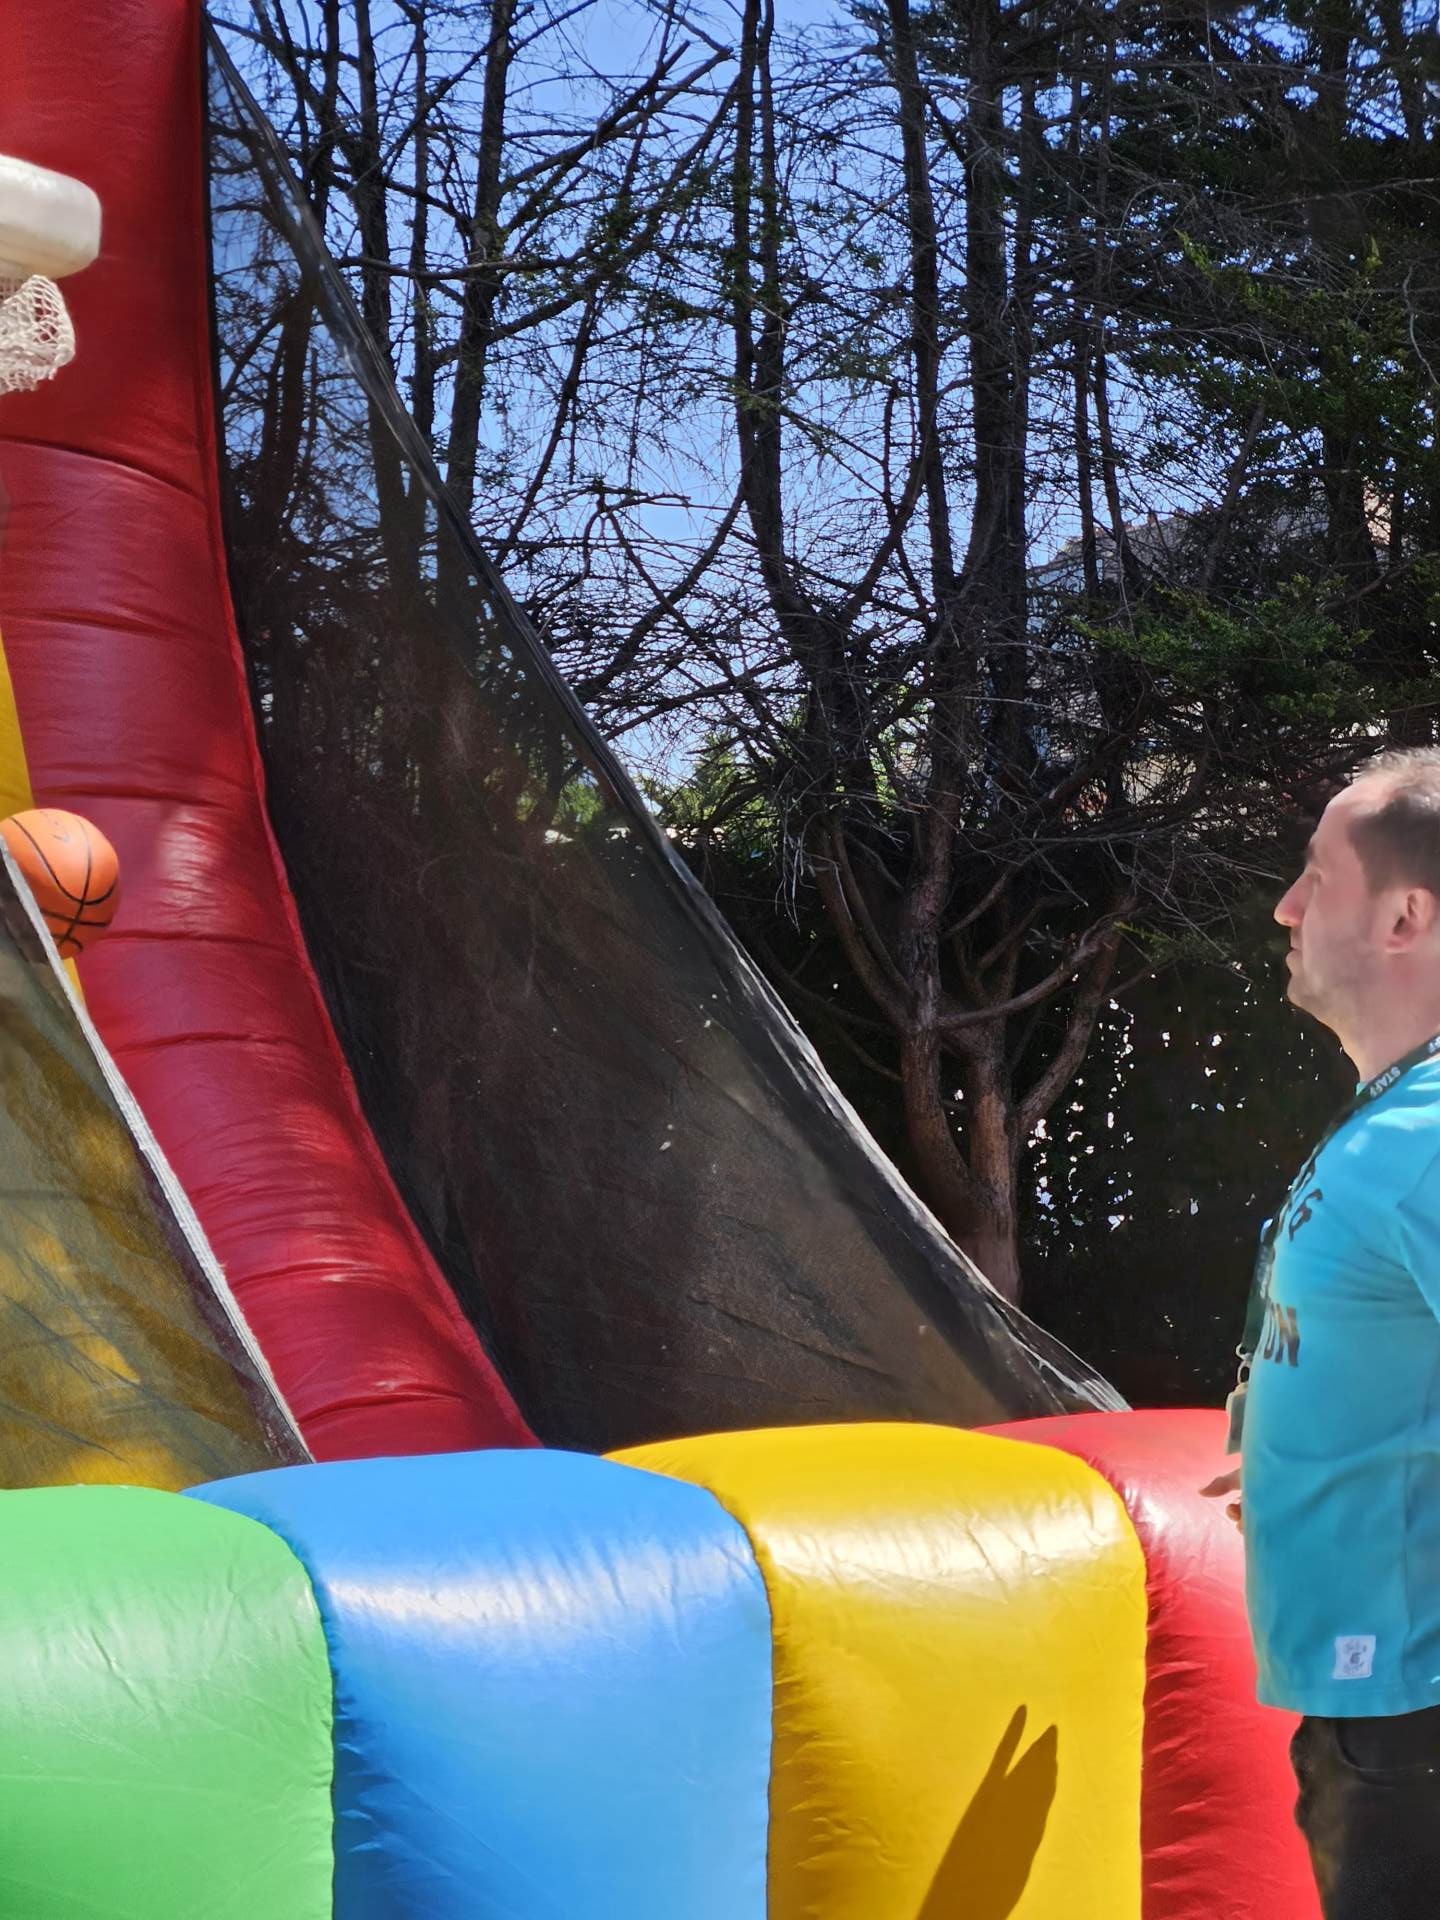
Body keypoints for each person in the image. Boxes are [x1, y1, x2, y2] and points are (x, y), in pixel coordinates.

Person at [1203, 747, 1440, 1919]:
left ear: (1405, 918)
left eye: (1315, 876)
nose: (1285, 908)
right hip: (1380, 1718)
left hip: (1415, 1725)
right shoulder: (1394, 1121)